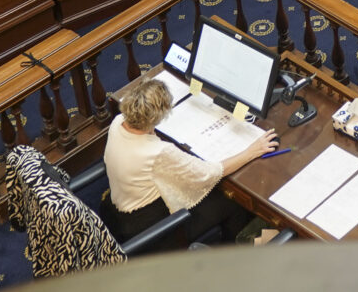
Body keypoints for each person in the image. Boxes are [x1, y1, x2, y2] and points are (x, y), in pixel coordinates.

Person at [102, 71, 275, 241]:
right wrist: (252, 151)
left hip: (120, 206)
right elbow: (210, 173)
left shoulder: (117, 122)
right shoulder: (158, 152)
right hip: (150, 223)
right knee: (232, 201)